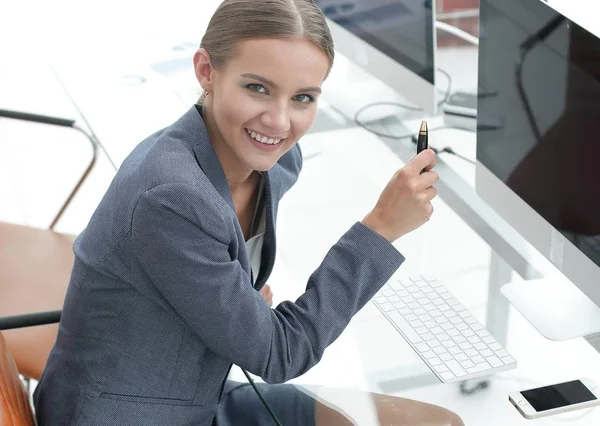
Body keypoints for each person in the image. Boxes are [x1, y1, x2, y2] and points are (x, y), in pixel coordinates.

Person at [33, 1, 463, 425]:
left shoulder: (273, 163)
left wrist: (237, 296)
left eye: (302, 97)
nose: (278, 121)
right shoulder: (171, 199)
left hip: (196, 386)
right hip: (130, 413)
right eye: (257, 87)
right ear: (206, 71)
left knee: (434, 420)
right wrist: (382, 228)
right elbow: (280, 353)